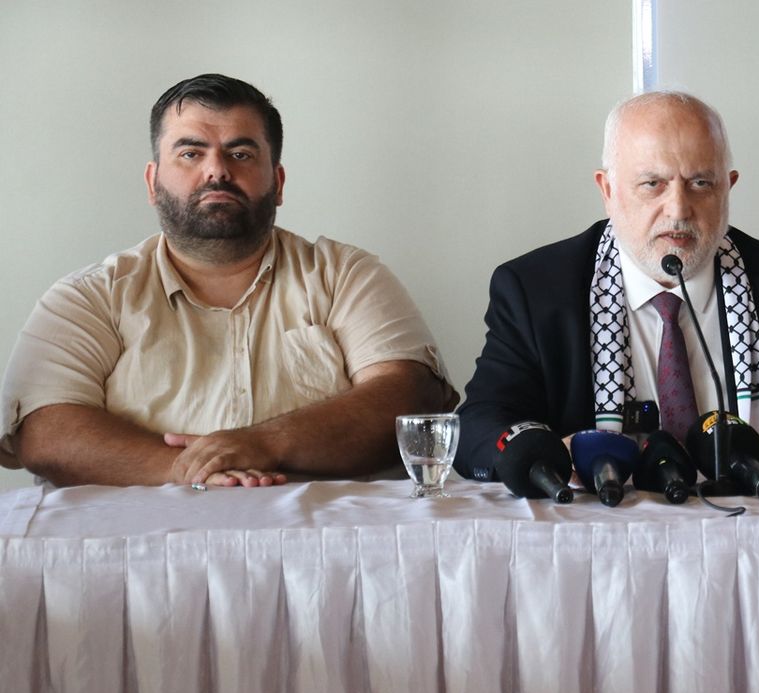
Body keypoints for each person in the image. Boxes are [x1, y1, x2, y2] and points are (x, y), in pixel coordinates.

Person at [0, 73, 459, 487]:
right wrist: (183, 469)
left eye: (241, 154)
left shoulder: (347, 276)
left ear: (278, 182)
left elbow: (408, 398)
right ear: (152, 182)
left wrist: (263, 443)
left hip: (330, 544)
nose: (217, 170)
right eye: (190, 153)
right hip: (138, 547)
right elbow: (44, 431)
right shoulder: (88, 297)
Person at [455, 91, 759, 479]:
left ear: (728, 188)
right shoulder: (535, 291)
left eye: (701, 183)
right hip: (604, 527)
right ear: (608, 190)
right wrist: (543, 451)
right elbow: (479, 426)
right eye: (652, 184)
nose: (678, 209)